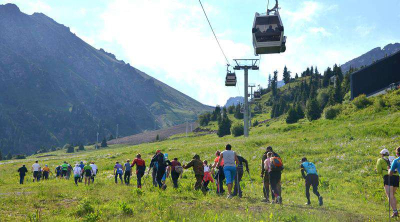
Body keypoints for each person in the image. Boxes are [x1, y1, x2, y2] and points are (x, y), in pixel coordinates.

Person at [388, 147, 400, 217]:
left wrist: (389, 169)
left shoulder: (396, 161)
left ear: (397, 153)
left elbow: (391, 173)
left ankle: (395, 212)